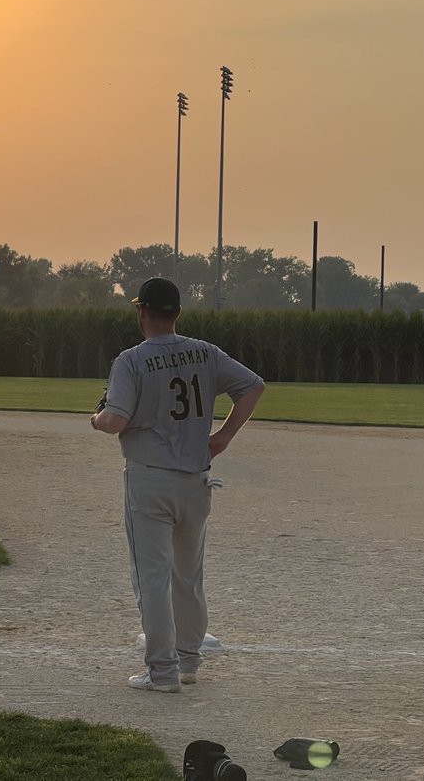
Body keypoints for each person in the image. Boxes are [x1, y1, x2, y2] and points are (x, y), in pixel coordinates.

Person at [91, 277, 265, 693]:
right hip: (197, 479)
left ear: (143, 312)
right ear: (178, 313)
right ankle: (188, 660)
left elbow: (113, 420)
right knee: (188, 575)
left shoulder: (131, 360)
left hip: (150, 479)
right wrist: (222, 437)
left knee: (152, 577)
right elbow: (253, 386)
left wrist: (95, 418)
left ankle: (162, 672)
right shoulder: (205, 352)